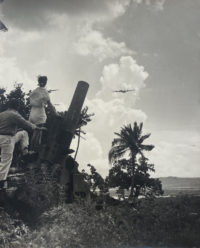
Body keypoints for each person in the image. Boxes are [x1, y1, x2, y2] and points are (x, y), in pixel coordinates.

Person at [0, 99, 43, 189]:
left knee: (23, 133)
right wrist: (36, 127)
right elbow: (26, 124)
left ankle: (25, 152)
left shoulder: (2, 114)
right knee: (6, 160)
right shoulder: (14, 114)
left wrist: (16, 130)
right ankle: (1, 182)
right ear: (16, 107)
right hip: (7, 139)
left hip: (3, 136)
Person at [29, 75, 57, 150]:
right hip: (39, 113)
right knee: (38, 132)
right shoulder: (44, 91)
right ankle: (34, 149)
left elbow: (31, 101)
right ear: (45, 82)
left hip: (32, 112)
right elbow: (49, 103)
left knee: (34, 131)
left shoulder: (35, 91)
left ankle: (31, 149)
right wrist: (55, 113)